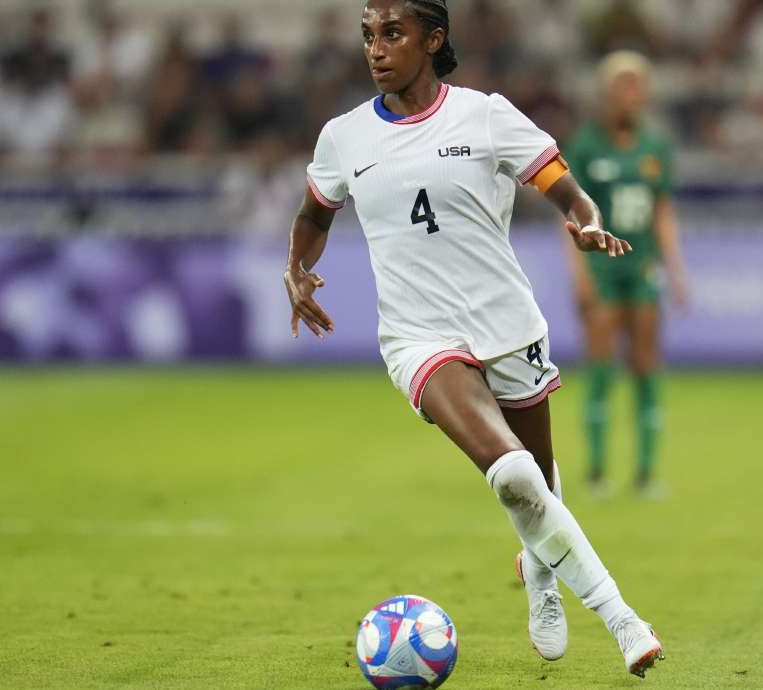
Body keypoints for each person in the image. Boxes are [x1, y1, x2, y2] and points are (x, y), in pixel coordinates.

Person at [282, 0, 664, 678]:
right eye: (368, 35)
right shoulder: (343, 136)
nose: (375, 49)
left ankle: (542, 578)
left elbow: (565, 188)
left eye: (392, 34)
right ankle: (623, 620)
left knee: (540, 484)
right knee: (514, 475)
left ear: (433, 40)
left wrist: (585, 221)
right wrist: (297, 270)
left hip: (507, 326)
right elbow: (315, 212)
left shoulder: (484, 116)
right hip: (418, 338)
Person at [565, 52, 689, 499]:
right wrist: (578, 272)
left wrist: (677, 272)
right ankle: (598, 471)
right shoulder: (585, 146)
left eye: (638, 86)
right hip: (601, 266)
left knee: (645, 362)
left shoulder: (654, 148)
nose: (632, 95)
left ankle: (646, 473)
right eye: (624, 85)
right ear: (607, 92)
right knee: (600, 364)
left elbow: (662, 213)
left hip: (643, 267)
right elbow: (572, 217)